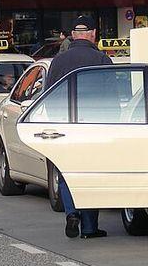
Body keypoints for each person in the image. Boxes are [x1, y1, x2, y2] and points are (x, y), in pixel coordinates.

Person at [45, 15, 111, 239]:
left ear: (73, 35)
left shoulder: (57, 61)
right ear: (93, 34)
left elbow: (48, 96)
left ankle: (72, 212)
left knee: (66, 171)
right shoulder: (101, 59)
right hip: (94, 126)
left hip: (64, 125)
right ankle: (90, 228)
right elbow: (114, 97)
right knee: (90, 173)